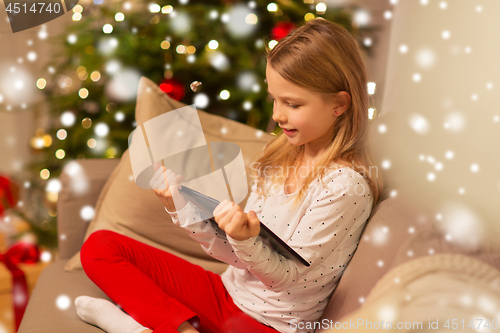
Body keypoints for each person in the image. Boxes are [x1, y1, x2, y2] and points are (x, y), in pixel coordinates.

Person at [74, 18, 383, 333]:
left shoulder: (345, 186)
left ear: (339, 104)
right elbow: (237, 259)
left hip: (270, 325)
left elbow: (287, 281)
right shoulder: (278, 158)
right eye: (274, 99)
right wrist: (180, 206)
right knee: (99, 247)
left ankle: (133, 327)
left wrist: (243, 239)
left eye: (292, 103)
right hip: (226, 295)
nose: (277, 115)